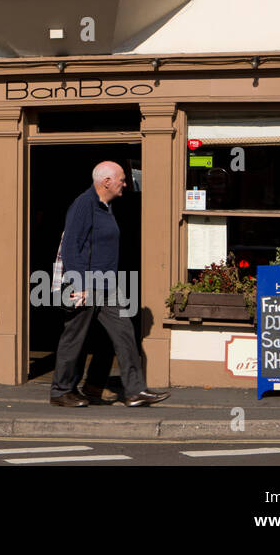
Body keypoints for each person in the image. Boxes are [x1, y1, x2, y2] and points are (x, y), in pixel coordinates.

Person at [49, 161, 169, 408]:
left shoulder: (105, 207)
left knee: (123, 332)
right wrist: (78, 286)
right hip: (85, 285)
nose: (125, 184)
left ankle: (134, 391)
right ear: (106, 182)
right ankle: (61, 391)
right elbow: (72, 245)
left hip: (107, 286)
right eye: (122, 179)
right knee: (75, 338)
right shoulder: (85, 204)